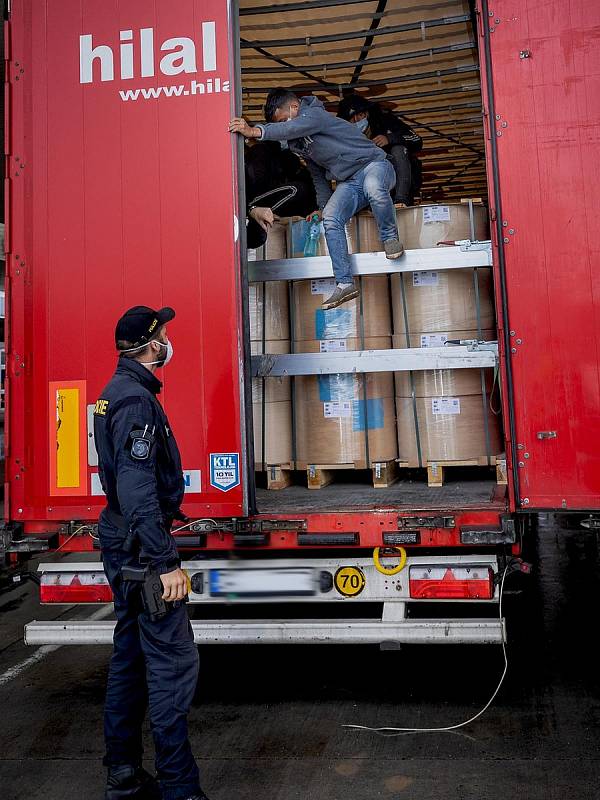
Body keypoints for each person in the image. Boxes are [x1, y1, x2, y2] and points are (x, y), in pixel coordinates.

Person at [93, 305, 207, 800]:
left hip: (121, 541)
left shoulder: (113, 394)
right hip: (142, 550)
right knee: (172, 665)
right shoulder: (135, 401)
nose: (168, 341)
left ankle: (122, 772)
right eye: (164, 335)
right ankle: (180, 789)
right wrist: (166, 565)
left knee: (131, 656)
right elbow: (138, 491)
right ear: (150, 344)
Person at [229, 88, 405, 310]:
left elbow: (293, 126)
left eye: (283, 121)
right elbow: (317, 175)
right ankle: (344, 283)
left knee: (374, 187)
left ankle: (390, 238)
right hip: (349, 182)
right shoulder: (301, 144)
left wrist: (255, 131)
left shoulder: (315, 114)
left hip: (375, 166)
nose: (284, 129)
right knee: (331, 217)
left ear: (294, 108)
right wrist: (322, 207)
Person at [337, 93, 423, 206]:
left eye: (360, 115)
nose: (357, 120)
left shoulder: (385, 120)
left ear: (367, 113)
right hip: (369, 184)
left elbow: (417, 140)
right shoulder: (345, 135)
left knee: (398, 149)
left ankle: (401, 200)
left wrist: (390, 138)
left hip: (396, 177)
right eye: (352, 119)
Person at [245, 139, 317, 249]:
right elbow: (255, 186)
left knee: (302, 191)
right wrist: (252, 208)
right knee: (296, 189)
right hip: (258, 200)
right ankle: (253, 212)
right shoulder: (260, 151)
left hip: (278, 202)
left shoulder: (287, 157)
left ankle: (255, 213)